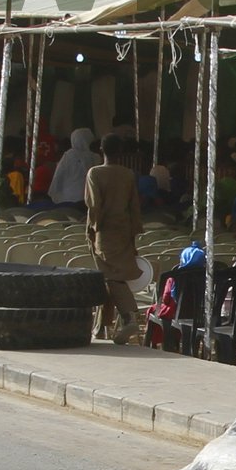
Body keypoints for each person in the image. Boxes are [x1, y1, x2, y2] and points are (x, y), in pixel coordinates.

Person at [84, 138, 145, 343]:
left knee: (111, 277)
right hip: (124, 232)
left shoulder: (95, 173)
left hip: (105, 232)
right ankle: (101, 328)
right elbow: (134, 206)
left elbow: (94, 205)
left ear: (101, 150)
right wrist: (134, 233)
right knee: (108, 277)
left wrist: (93, 229)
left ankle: (129, 316)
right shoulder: (128, 175)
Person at [50, 126, 99, 208]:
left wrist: (55, 193)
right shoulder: (95, 157)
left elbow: (58, 176)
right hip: (87, 198)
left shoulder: (67, 156)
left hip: (66, 199)